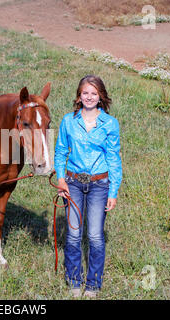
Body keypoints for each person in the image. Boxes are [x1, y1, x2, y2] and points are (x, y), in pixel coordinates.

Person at [54, 75, 123, 298]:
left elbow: (113, 159)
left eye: (94, 93)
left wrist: (113, 191)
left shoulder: (110, 124)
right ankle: (74, 280)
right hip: (73, 183)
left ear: (101, 96)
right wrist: (62, 179)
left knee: (94, 236)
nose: (89, 97)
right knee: (73, 234)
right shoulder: (68, 121)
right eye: (85, 93)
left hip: (99, 185)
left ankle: (93, 284)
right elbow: (61, 152)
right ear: (79, 96)